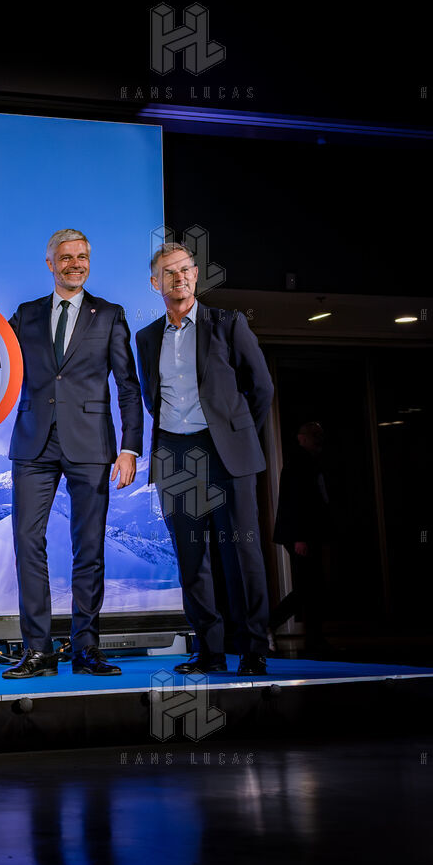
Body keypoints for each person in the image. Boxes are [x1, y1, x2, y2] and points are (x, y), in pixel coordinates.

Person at [0, 229, 142, 679]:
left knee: (89, 547)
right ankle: (38, 651)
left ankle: (86, 649)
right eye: (66, 257)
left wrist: (129, 448)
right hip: (33, 444)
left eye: (82, 256)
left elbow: (128, 386)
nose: (75, 264)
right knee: (28, 543)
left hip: (91, 445)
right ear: (50, 264)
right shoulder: (26, 315)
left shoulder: (110, 314)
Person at [135, 242, 274, 676]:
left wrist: (235, 434)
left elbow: (261, 387)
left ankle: (252, 649)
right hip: (175, 455)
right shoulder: (147, 337)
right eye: (169, 272)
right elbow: (151, 398)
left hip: (225, 454)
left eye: (185, 269)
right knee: (192, 558)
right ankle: (209, 651)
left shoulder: (228, 324)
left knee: (241, 555)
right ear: (155, 283)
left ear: (195, 275)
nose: (179, 277)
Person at [271, 420, 331, 654]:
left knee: (311, 587)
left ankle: (314, 638)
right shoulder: (299, 462)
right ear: (302, 438)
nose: (319, 439)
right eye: (314, 434)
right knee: (308, 587)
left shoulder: (307, 461)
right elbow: (295, 502)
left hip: (306, 533)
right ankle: (270, 624)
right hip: (301, 534)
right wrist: (299, 537)